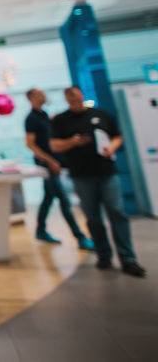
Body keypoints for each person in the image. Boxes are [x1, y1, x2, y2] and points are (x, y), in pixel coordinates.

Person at [50, 86, 146, 278]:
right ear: (67, 100)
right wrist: (72, 142)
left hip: (106, 172)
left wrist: (111, 147)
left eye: (77, 98)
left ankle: (128, 258)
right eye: (71, 100)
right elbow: (54, 145)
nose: (75, 102)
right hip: (81, 175)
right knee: (93, 217)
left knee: (117, 212)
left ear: (82, 97)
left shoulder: (100, 114)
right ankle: (104, 255)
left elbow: (117, 136)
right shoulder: (61, 120)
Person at [24, 88, 95, 249]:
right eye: (39, 94)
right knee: (64, 200)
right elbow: (30, 144)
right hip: (47, 165)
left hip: (56, 162)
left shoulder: (46, 116)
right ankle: (80, 237)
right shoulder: (31, 118)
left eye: (43, 93)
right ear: (31, 98)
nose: (43, 95)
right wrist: (49, 161)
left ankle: (40, 230)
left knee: (49, 198)